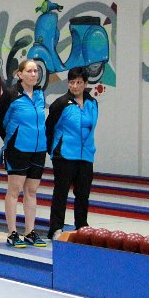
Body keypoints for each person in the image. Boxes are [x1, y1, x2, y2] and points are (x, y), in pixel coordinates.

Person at [0, 59, 47, 249]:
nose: (33, 74)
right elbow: (1, 122)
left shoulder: (40, 94)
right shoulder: (10, 95)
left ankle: (30, 231)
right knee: (14, 191)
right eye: (29, 71)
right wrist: (12, 139)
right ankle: (12, 232)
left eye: (36, 71)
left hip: (38, 149)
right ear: (20, 74)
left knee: (31, 191)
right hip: (17, 148)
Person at [46, 67, 99, 240]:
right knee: (61, 193)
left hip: (86, 155)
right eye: (71, 82)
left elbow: (91, 128)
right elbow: (49, 128)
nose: (75, 86)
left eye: (78, 82)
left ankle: (82, 226)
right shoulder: (61, 104)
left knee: (83, 194)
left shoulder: (92, 103)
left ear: (85, 83)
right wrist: (53, 150)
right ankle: (56, 228)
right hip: (64, 155)